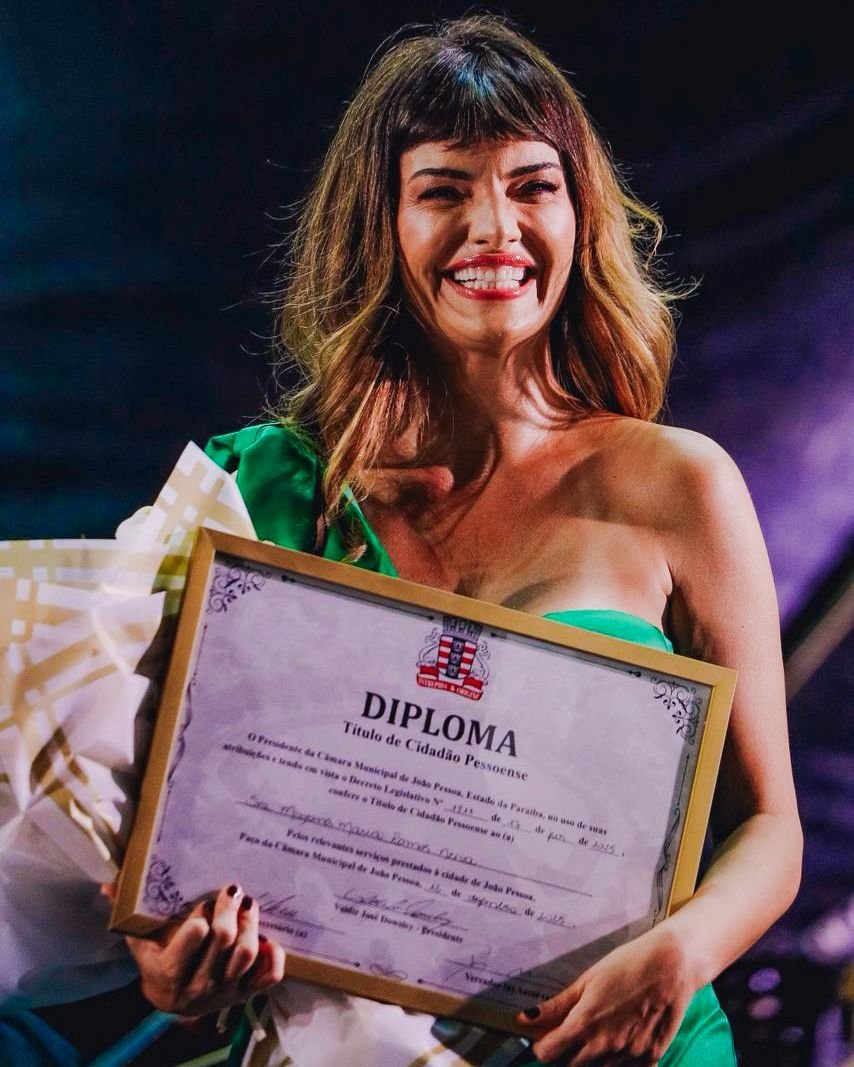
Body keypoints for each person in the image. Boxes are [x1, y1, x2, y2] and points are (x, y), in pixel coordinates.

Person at [121, 15, 803, 1066]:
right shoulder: (262, 490)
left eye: (532, 185)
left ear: (580, 213)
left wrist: (681, 953)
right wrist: (169, 972)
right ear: (381, 225)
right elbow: (160, 840)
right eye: (443, 190)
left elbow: (770, 828)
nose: (494, 227)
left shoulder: (681, 485)